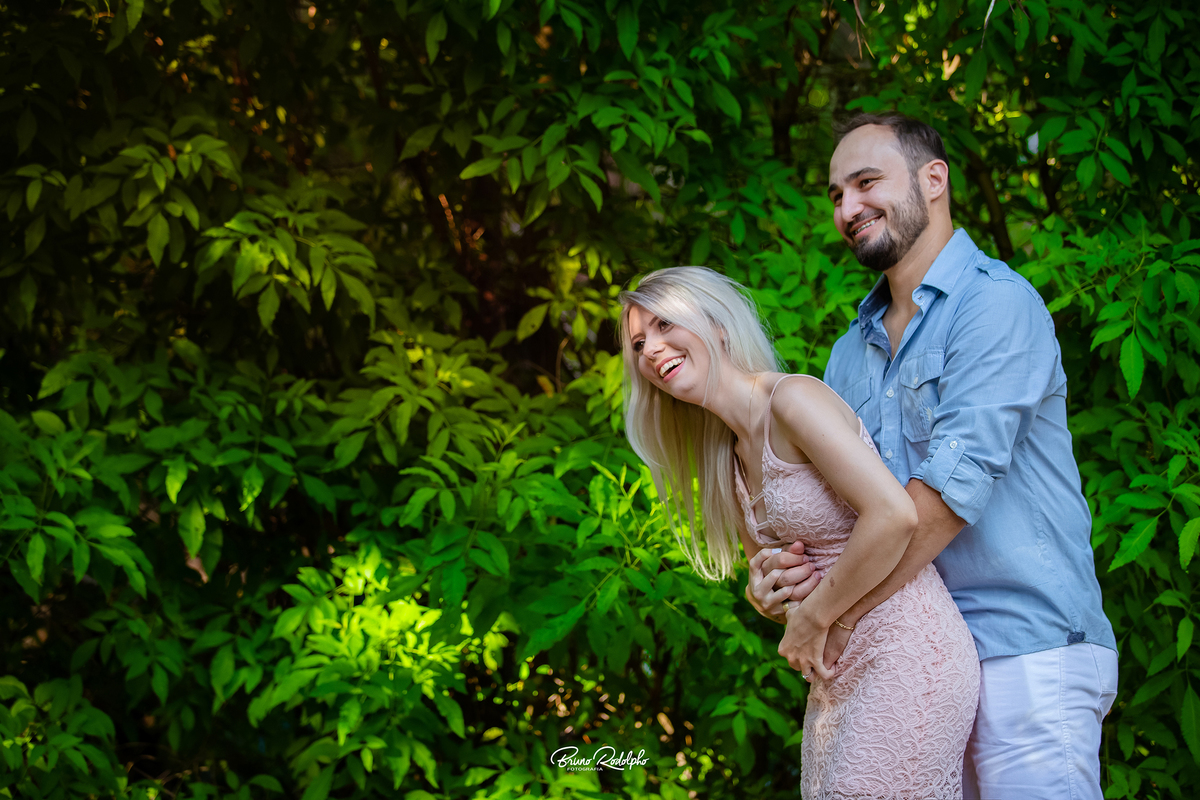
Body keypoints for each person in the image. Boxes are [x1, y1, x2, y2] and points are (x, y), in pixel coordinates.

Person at [751, 113, 1119, 799]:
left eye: (866, 183)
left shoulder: (996, 306)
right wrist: (782, 580)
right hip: (911, 662)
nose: (848, 208)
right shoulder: (847, 354)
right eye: (836, 195)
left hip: (1021, 650)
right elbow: (842, 523)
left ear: (934, 179)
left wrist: (829, 613)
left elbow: (947, 498)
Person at [620, 266, 979, 799]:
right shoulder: (728, 456)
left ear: (717, 324)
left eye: (665, 325)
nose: (651, 349)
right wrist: (767, 596)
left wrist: (811, 617)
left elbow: (894, 515)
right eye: (638, 343)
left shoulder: (790, 401)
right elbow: (776, 582)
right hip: (834, 673)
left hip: (906, 652)